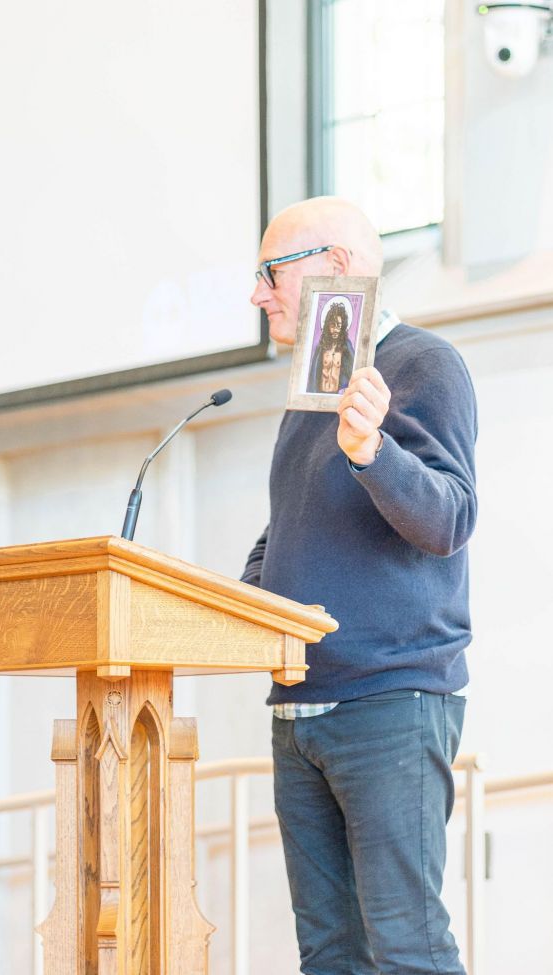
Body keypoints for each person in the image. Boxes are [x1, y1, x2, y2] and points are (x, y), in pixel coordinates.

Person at [242, 196, 477, 975]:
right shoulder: (311, 392)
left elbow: (448, 517)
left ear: (335, 268)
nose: (257, 295)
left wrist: (373, 449)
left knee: (407, 947)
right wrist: (236, 605)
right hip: (299, 711)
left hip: (388, 702)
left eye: (270, 273)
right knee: (331, 955)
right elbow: (286, 532)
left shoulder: (420, 365)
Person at [307, 300, 355, 394]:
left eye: (339, 326)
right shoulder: (321, 347)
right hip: (320, 394)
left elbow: (354, 370)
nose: (335, 329)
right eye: (333, 325)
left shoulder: (346, 347)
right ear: (328, 326)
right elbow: (313, 374)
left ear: (343, 327)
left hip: (338, 396)